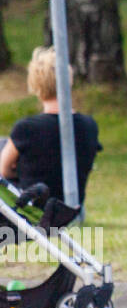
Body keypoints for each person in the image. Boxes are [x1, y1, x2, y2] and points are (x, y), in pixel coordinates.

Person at [0, 47, 101, 229]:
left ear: (35, 85)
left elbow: (3, 171)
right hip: (66, 210)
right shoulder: (89, 126)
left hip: (29, 211)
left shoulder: (26, 129)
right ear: (68, 81)